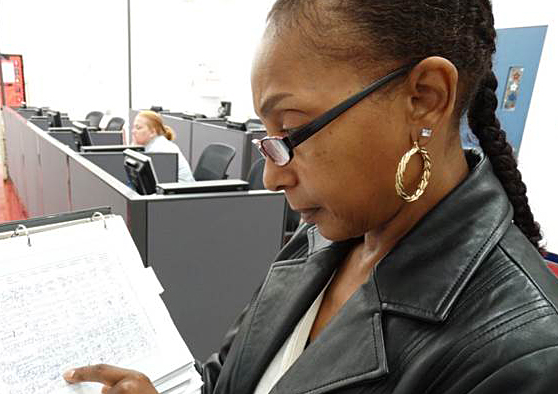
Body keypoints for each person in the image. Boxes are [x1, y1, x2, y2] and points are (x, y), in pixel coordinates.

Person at [63, 1, 558, 393]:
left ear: (425, 98)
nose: (273, 181)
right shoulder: (322, 238)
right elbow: (230, 378)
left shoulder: (525, 356)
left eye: (294, 130)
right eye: (268, 136)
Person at [132, 110, 195, 183]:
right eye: (134, 127)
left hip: (181, 191)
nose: (133, 131)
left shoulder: (158, 149)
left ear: (152, 132)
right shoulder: (151, 143)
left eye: (138, 128)